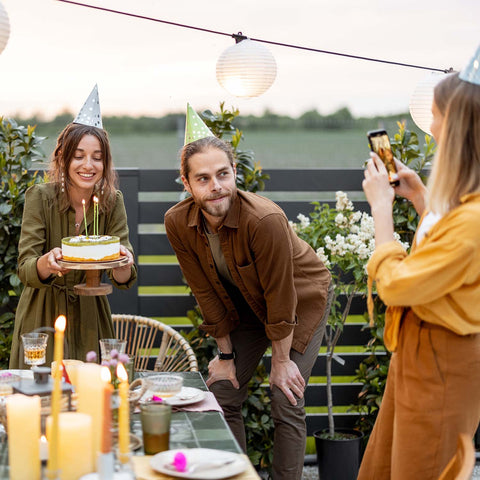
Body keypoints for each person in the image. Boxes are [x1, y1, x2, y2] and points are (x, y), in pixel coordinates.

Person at [164, 135, 331, 480]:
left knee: (286, 396)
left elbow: (281, 299)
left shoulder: (265, 220)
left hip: (301, 299)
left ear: (235, 172)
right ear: (187, 183)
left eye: (223, 174)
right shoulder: (177, 222)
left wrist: (282, 362)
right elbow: (205, 291)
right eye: (203, 178)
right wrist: (225, 358)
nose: (216, 186)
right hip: (246, 306)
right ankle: (233, 475)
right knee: (223, 393)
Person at [358, 67, 480, 479]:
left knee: (420, 469)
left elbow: (395, 287)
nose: (431, 124)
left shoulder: (474, 220)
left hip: (441, 367)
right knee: (387, 465)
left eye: (435, 114)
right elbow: (450, 258)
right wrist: (421, 200)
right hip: (419, 357)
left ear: (457, 127)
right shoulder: (466, 205)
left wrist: (381, 210)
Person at [10, 114, 137, 368]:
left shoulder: (112, 202)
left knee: (91, 394)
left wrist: (122, 264)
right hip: (43, 314)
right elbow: (25, 268)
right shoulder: (41, 197)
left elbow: (123, 278)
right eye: (78, 156)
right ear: (63, 157)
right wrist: (47, 263)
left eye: (97, 157)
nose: (88, 165)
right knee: (41, 397)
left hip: (91, 315)